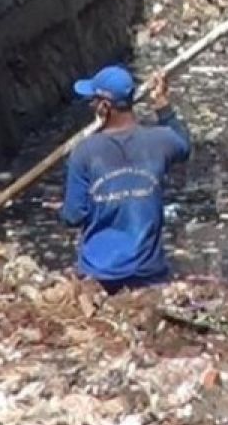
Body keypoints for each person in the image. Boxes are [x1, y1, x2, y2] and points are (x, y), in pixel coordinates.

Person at [61, 64, 192, 293]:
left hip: (99, 275)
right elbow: (184, 144)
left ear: (104, 106)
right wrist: (162, 104)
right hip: (148, 272)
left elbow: (73, 216)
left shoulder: (84, 152)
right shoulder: (160, 141)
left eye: (92, 100)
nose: (90, 105)